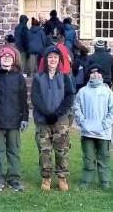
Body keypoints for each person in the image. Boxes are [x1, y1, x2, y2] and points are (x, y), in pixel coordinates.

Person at [0, 45, 29, 192]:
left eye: (9, 57)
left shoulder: (19, 77)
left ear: (13, 59)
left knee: (13, 151)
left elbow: (23, 100)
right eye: (4, 57)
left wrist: (25, 118)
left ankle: (14, 179)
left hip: (14, 121)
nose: (6, 59)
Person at [31, 45, 75, 192]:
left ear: (59, 60)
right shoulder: (38, 77)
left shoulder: (65, 77)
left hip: (60, 120)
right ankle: (46, 177)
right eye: (50, 57)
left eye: (55, 57)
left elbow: (69, 97)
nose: (53, 60)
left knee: (61, 150)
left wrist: (57, 113)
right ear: (45, 59)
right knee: (44, 150)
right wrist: (47, 113)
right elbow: (36, 98)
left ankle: (62, 177)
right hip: (43, 121)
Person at [73, 65, 113, 191]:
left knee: (104, 158)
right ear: (89, 75)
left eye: (98, 73)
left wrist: (104, 125)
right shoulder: (82, 92)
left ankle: (105, 181)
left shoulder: (107, 92)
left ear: (102, 76)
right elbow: (77, 108)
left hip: (104, 133)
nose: (95, 75)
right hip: (87, 133)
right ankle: (86, 181)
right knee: (88, 158)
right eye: (93, 73)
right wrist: (83, 123)